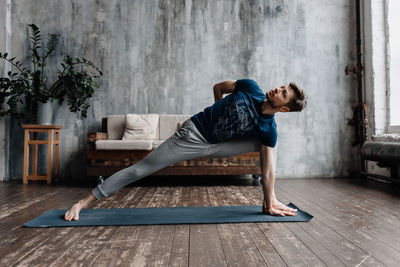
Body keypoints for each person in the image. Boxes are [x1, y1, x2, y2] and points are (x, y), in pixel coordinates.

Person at [64, 79, 307, 221]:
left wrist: (268, 196)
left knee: (267, 146)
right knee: (141, 169)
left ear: (284, 109)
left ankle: (269, 201)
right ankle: (83, 202)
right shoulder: (249, 87)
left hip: (218, 147)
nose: (278, 88)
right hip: (193, 136)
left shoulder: (269, 128)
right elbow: (219, 87)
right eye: (282, 86)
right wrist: (218, 110)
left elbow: (269, 168)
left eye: (283, 93)